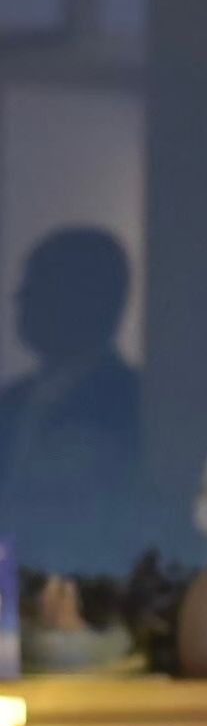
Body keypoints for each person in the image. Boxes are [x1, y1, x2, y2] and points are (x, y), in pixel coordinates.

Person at [0, 226, 140, 571]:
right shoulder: (12, 402)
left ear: (81, 295)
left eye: (37, 285)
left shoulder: (131, 403)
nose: (19, 298)